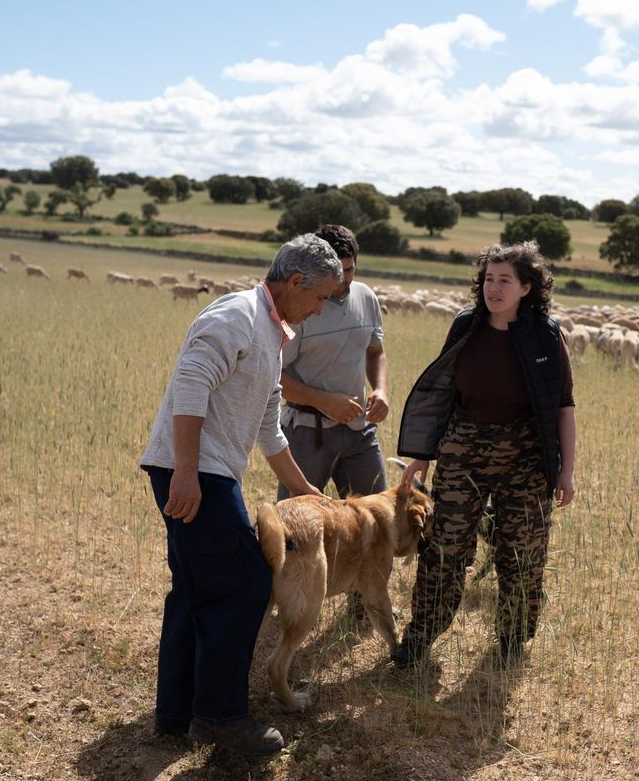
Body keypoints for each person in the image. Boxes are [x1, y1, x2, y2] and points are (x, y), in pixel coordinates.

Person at [139, 234, 341, 755]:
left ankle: (174, 712)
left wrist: (302, 488)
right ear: (295, 282)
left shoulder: (273, 334)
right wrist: (186, 470)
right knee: (245, 582)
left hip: (202, 469)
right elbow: (190, 383)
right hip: (196, 471)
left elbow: (268, 427)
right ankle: (221, 717)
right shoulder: (236, 316)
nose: (321, 309)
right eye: (320, 297)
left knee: (195, 588)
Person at [393, 240, 577, 669]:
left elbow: (563, 406)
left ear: (527, 287)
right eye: (489, 279)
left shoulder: (547, 336)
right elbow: (442, 394)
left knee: (523, 553)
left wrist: (567, 471)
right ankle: (418, 638)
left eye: (505, 280)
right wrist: (422, 454)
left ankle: (513, 638)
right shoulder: (465, 327)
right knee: (444, 547)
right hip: (464, 449)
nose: (494, 288)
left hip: (526, 457)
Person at [277, 224, 390, 627]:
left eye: (350, 269)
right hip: (308, 432)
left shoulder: (367, 298)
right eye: (336, 272)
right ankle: (288, 605)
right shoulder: (303, 304)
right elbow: (277, 375)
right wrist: (325, 401)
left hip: (360, 433)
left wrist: (380, 390)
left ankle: (364, 607)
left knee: (375, 524)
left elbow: (376, 351)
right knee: (296, 526)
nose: (343, 281)